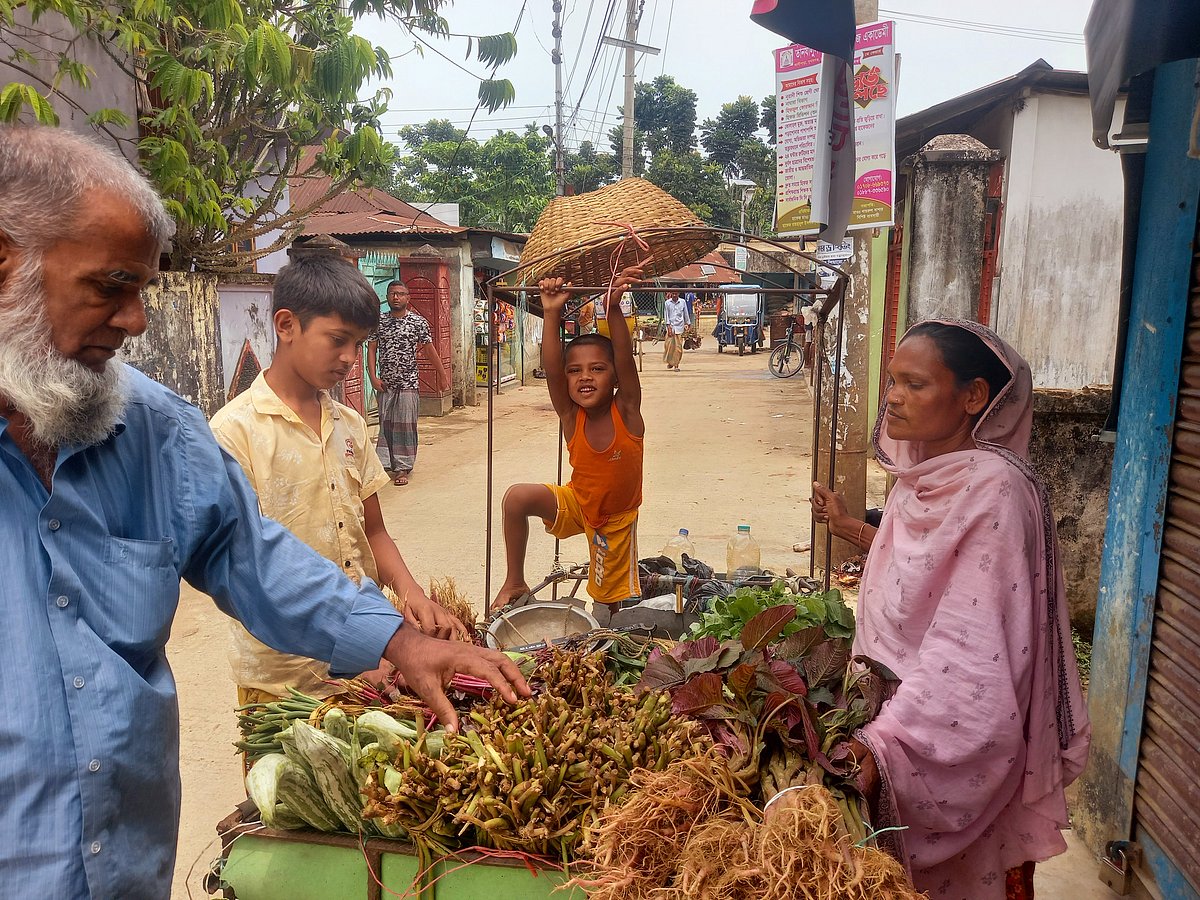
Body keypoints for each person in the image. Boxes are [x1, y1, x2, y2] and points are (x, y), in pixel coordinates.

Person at [0, 124, 528, 898]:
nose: (136, 320)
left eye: (142, 290)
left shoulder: (153, 430)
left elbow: (251, 555)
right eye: (110, 286)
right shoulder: (235, 425)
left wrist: (399, 639)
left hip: (124, 873)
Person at [807, 320, 1090, 899]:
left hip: (934, 730)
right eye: (892, 381)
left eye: (915, 384)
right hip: (884, 709)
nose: (892, 397)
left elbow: (970, 649)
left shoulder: (996, 490)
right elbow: (928, 567)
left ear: (973, 397)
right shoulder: (919, 478)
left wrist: (886, 743)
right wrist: (848, 526)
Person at [210, 253, 466, 706]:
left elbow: (374, 531)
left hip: (366, 661)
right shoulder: (234, 433)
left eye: (359, 344)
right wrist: (359, 644)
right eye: (337, 340)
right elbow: (248, 570)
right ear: (286, 325)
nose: (350, 358)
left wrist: (413, 596)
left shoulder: (349, 425)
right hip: (282, 678)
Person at [493, 261, 649, 622]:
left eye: (597, 369)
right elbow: (552, 369)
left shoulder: (626, 410)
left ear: (615, 378)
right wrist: (551, 313)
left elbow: (625, 358)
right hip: (578, 502)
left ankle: (609, 626)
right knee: (516, 498)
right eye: (575, 371)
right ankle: (514, 581)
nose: (585, 377)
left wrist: (612, 308)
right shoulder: (570, 415)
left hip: (613, 521)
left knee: (606, 604)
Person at [367, 281, 447, 486]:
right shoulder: (379, 321)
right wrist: (373, 377)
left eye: (401, 294)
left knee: (405, 425)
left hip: (408, 383)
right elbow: (372, 349)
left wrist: (442, 375)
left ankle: (403, 467)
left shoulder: (417, 322)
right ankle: (386, 464)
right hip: (385, 384)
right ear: (387, 296)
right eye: (393, 293)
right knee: (386, 425)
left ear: (408, 298)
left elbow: (429, 349)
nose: (396, 297)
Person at [661, 289, 691, 370]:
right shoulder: (667, 303)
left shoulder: (683, 302)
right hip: (670, 327)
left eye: (676, 293)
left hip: (679, 327)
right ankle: (671, 362)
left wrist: (688, 323)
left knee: (678, 348)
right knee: (669, 347)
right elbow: (666, 315)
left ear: (678, 294)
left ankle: (676, 364)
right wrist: (668, 327)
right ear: (671, 294)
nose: (674, 295)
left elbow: (685, 313)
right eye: (673, 293)